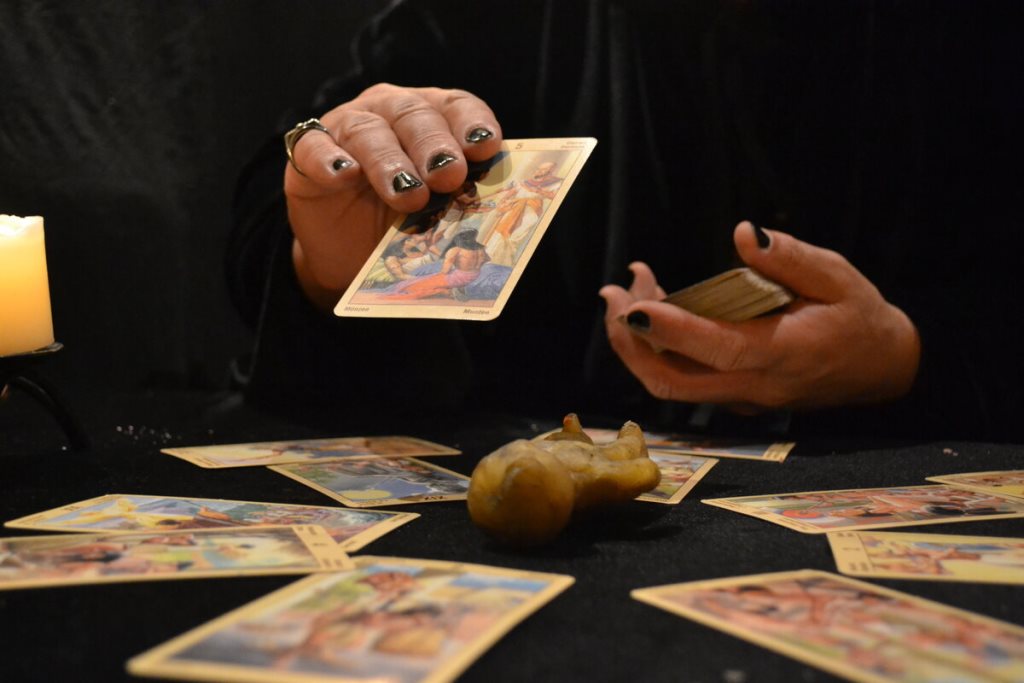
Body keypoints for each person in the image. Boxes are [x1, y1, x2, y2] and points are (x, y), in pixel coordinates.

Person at [227, 0, 1023, 440]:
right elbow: (268, 224)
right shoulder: (481, 20)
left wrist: (905, 357)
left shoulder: (970, 36)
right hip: (520, 526)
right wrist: (325, 266)